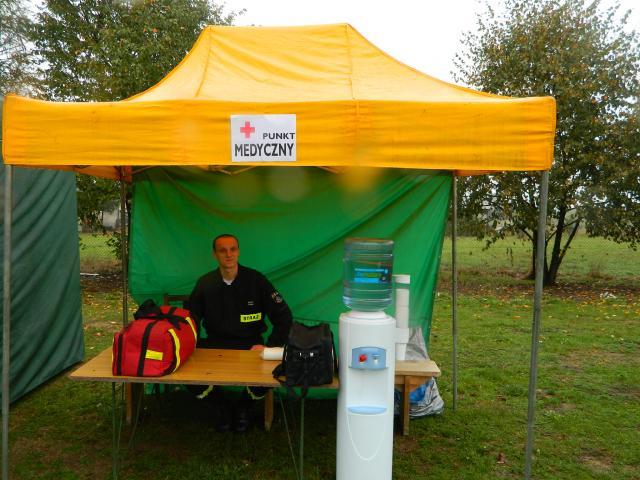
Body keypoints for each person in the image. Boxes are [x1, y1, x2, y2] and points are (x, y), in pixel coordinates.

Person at [189, 233, 293, 432]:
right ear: (215, 255)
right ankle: (221, 407)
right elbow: (190, 320)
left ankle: (244, 407)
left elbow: (284, 317)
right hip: (215, 344)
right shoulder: (205, 283)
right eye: (222, 250)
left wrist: (269, 348)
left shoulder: (256, 280)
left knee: (274, 370)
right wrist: (190, 344)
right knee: (186, 367)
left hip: (251, 345)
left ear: (238, 252)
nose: (228, 254)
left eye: (233, 249)